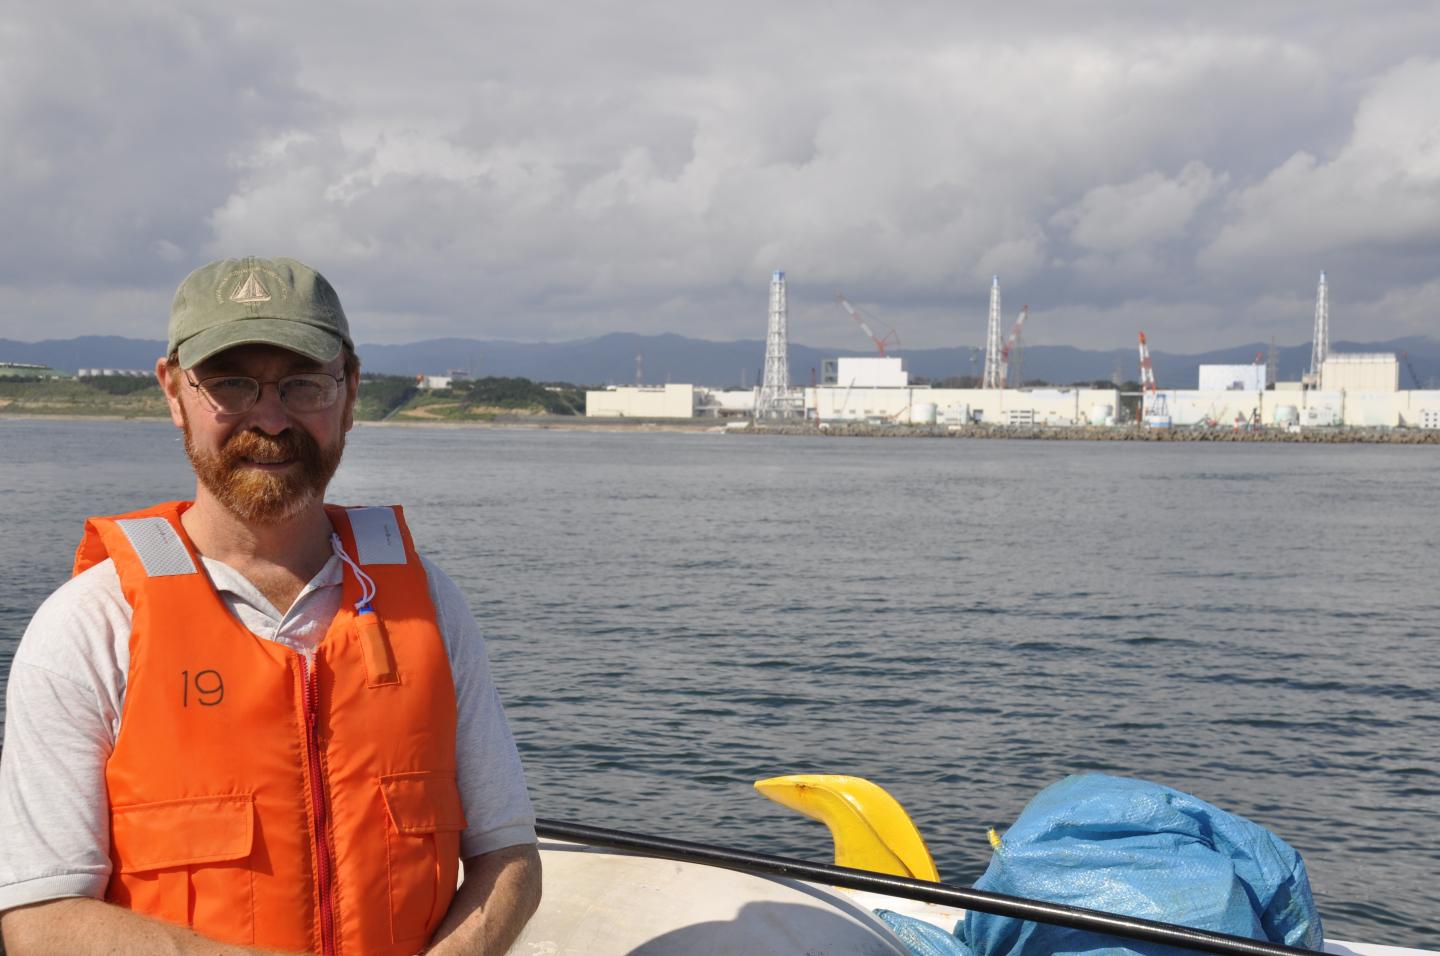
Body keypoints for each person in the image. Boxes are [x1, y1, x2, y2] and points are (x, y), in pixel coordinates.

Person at [0, 257, 542, 955]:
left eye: (303, 385)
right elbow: (41, 919)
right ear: (173, 391)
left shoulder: (429, 606)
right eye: (231, 383)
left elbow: (508, 859)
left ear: (348, 391)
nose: (271, 418)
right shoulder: (92, 624)